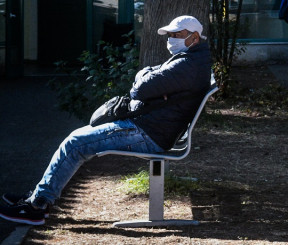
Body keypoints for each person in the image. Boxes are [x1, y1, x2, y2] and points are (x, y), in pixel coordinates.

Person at [0, 15, 212, 226]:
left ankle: (36, 207)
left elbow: (139, 89)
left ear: (194, 37)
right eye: (170, 35)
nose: (172, 39)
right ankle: (39, 198)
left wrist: (144, 78)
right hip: (152, 127)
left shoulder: (188, 65)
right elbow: (147, 78)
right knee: (76, 139)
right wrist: (146, 76)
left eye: (178, 34)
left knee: (74, 143)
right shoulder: (192, 59)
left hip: (148, 132)